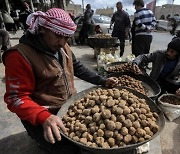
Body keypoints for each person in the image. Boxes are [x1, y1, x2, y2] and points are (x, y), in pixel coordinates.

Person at [2, 8, 118, 154]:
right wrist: (43, 117)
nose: (63, 42)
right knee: (66, 149)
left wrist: (102, 80)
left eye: (66, 37)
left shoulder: (62, 47)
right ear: (43, 29)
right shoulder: (19, 56)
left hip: (67, 109)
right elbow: (15, 98)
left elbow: (77, 67)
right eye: (58, 36)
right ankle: (37, 136)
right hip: (42, 114)